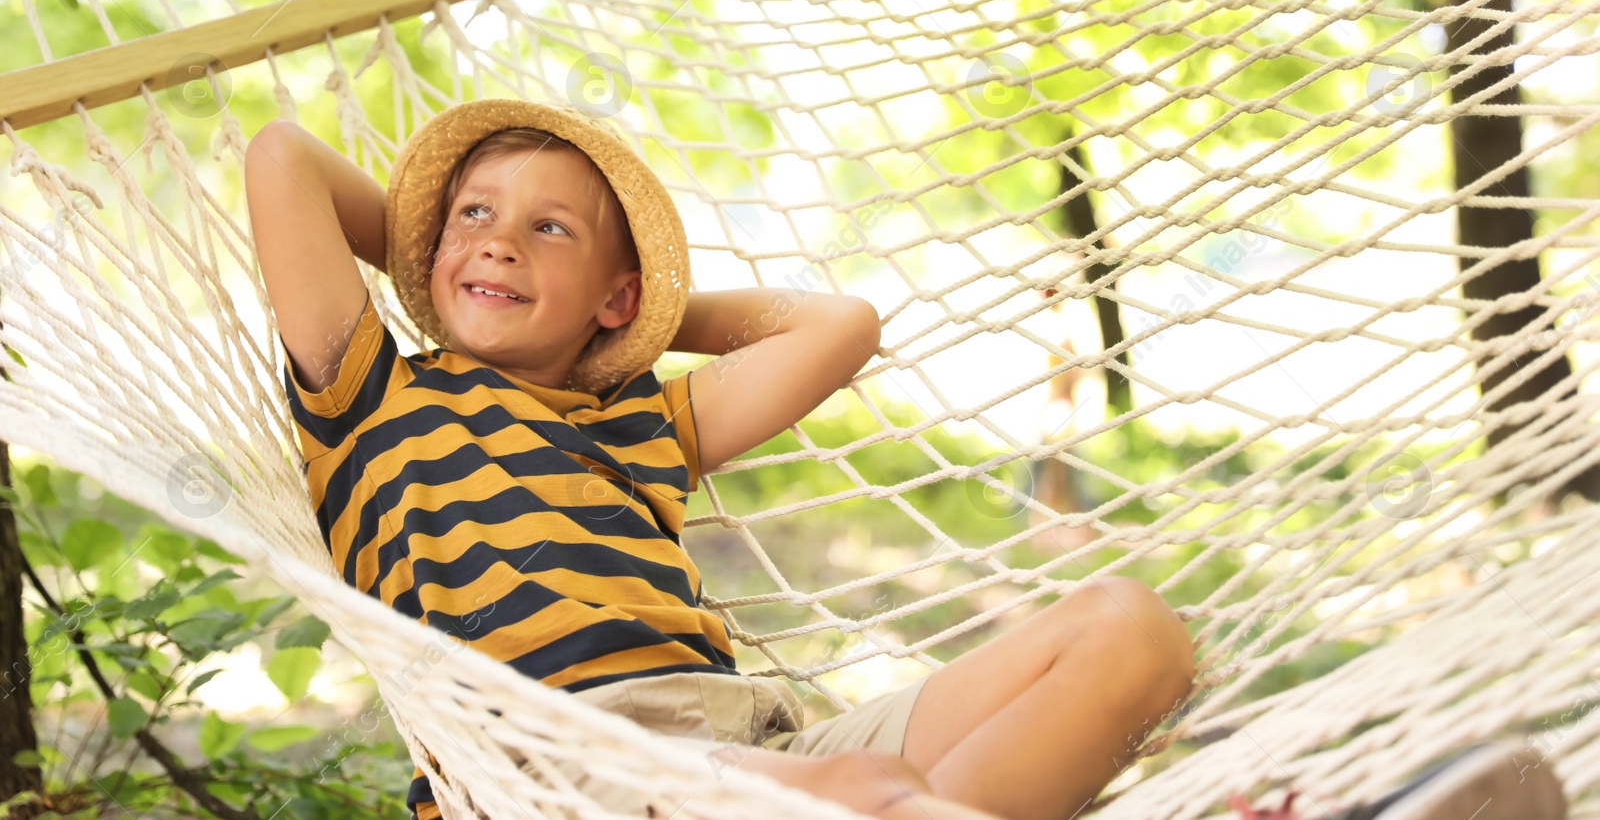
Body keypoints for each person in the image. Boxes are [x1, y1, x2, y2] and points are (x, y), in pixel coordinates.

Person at [244, 98, 1557, 820]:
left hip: (748, 749)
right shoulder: (373, 391)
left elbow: (840, 327)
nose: (498, 243)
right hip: (558, 781)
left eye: (546, 229)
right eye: (474, 219)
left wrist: (639, 321)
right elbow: (282, 157)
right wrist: (431, 260)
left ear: (611, 296)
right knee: (861, 800)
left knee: (1127, 629)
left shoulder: (640, 428)